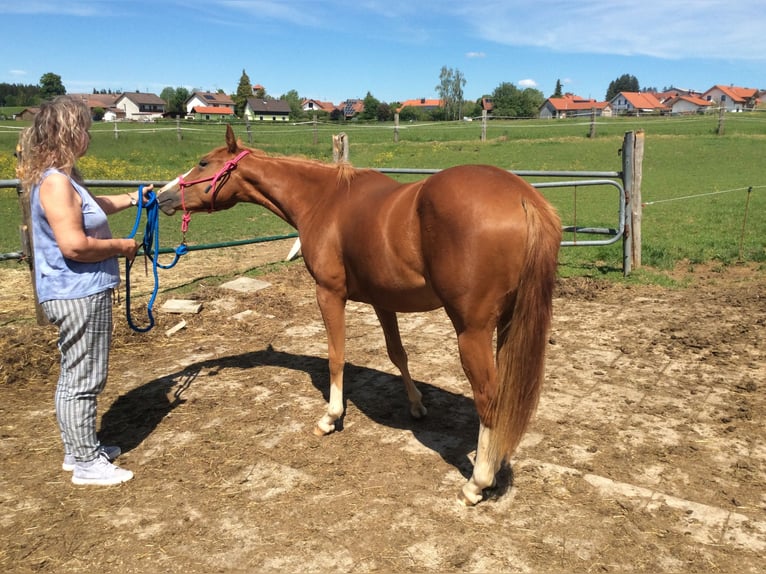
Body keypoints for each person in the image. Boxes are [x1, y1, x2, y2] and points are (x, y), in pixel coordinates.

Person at [17, 95, 152, 486]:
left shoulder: (62, 178)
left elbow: (90, 208)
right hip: (78, 292)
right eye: (85, 130)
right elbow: (74, 245)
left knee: (77, 374)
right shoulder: (57, 184)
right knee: (84, 379)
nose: (89, 138)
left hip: (78, 289)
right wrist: (121, 247)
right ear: (70, 132)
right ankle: (86, 463)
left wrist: (132, 199)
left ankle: (78, 449)